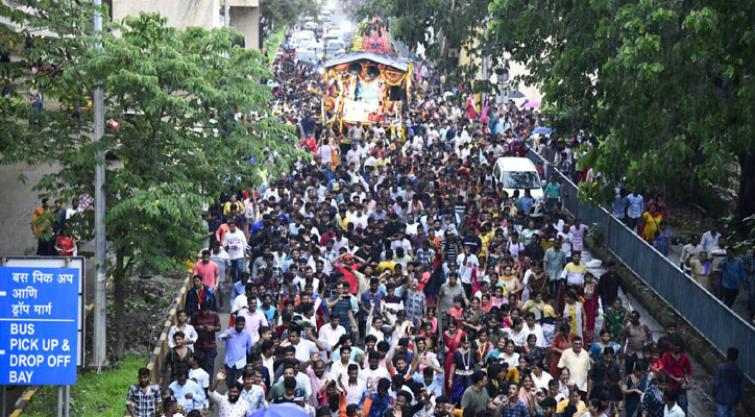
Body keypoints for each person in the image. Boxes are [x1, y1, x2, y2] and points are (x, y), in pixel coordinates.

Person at [219, 315, 253, 384]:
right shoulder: (229, 331)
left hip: (241, 363)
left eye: (242, 325)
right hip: (229, 362)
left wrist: (250, 361)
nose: (241, 326)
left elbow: (249, 348)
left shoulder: (246, 334)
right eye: (239, 324)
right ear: (236, 324)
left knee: (241, 382)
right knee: (229, 381)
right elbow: (220, 338)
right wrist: (226, 337)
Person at [712, 347, 743, 417]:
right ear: (736, 358)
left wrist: (713, 394)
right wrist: (738, 400)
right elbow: (740, 388)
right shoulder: (739, 371)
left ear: (727, 356)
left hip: (722, 399)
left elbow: (716, 383)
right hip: (733, 400)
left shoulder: (721, 368)